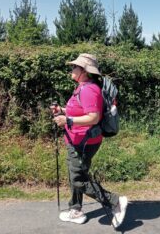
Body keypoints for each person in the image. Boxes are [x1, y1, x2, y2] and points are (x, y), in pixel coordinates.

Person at [52, 53, 128, 228]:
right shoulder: (83, 87)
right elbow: (80, 110)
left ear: (84, 71)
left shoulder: (88, 89)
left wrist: (68, 120)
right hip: (77, 139)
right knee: (76, 174)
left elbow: (93, 117)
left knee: (78, 179)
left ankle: (115, 201)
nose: (72, 69)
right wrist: (62, 110)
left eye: (75, 67)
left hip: (84, 142)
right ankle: (75, 209)